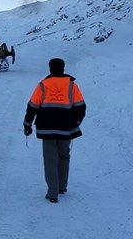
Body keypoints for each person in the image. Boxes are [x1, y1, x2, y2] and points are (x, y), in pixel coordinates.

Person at [23, 58, 86, 203]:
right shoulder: (72, 86)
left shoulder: (42, 85)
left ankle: (52, 194)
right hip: (65, 130)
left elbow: (32, 107)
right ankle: (62, 187)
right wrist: (75, 123)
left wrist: (27, 125)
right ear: (63, 68)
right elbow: (81, 108)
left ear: (50, 69)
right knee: (64, 157)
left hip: (47, 130)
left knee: (50, 160)